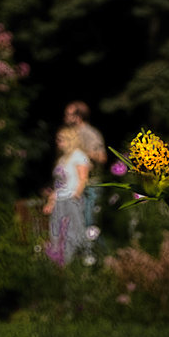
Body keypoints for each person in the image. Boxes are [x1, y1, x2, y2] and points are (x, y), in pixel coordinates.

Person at [42, 127, 91, 265]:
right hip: (60, 199)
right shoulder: (63, 158)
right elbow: (59, 184)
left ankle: (80, 262)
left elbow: (83, 179)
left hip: (71, 199)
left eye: (61, 139)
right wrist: (51, 201)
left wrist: (75, 195)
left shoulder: (79, 156)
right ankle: (59, 264)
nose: (58, 142)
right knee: (56, 233)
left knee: (73, 232)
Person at [62, 101, 106, 242]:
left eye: (68, 114)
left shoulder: (89, 133)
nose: (65, 117)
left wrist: (81, 152)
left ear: (78, 116)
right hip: (75, 185)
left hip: (91, 185)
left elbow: (102, 157)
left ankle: (102, 259)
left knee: (90, 224)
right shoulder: (70, 134)